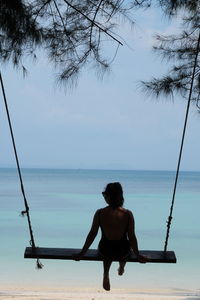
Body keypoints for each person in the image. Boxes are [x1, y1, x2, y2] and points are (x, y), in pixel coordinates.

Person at [73, 182, 148, 291]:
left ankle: (105, 274)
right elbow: (132, 237)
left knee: (107, 249)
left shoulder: (100, 213)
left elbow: (92, 234)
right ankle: (122, 266)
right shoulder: (127, 214)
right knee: (127, 248)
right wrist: (137, 255)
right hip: (123, 251)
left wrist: (82, 253)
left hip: (105, 250)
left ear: (108, 197)